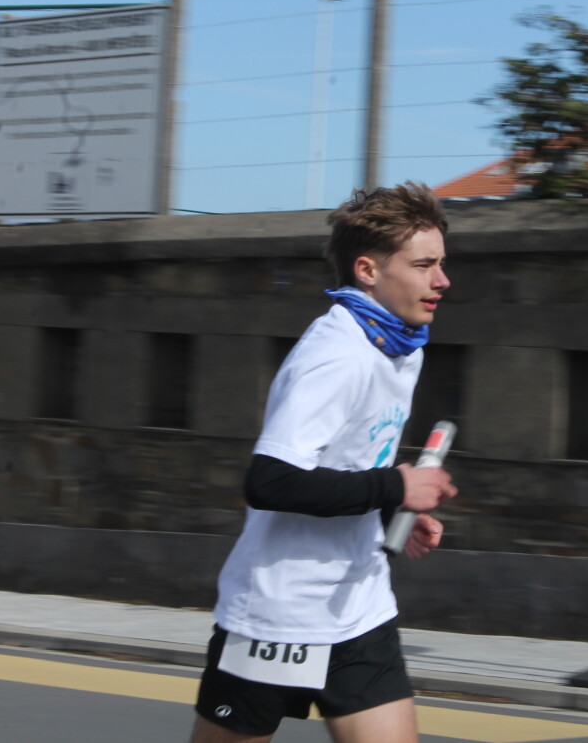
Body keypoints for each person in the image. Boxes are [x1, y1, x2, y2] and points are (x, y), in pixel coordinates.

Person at [190, 182, 457, 743]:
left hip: (358, 608)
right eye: (424, 265)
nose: (442, 280)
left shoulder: (400, 347)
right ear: (367, 270)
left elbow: (349, 463)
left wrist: (394, 511)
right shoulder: (336, 355)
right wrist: (394, 487)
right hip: (277, 614)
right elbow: (270, 481)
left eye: (441, 264)